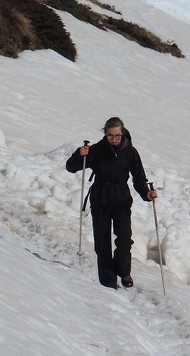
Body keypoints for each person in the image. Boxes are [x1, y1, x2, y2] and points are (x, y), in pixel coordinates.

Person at [66, 116, 158, 289]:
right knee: (102, 242)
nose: (114, 139)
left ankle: (124, 272)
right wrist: (79, 155)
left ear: (122, 134)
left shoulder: (130, 152)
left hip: (121, 199)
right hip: (100, 198)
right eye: (110, 136)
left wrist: (147, 193)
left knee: (124, 239)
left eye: (117, 136)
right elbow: (71, 167)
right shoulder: (96, 150)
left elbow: (139, 179)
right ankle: (108, 280)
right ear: (105, 134)